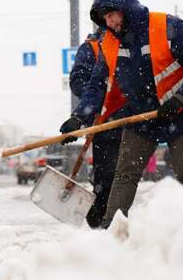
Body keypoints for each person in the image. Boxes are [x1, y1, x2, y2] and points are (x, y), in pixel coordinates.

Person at [59, 0, 183, 228]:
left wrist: (180, 98)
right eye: (105, 19)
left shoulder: (168, 27)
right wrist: (79, 118)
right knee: (125, 174)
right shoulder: (108, 44)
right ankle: (113, 231)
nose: (109, 22)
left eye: (112, 15)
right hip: (142, 117)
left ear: (125, 8)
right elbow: (97, 86)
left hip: (182, 114)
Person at [66, 29, 125, 228]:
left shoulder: (133, 41)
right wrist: (99, 101)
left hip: (133, 121)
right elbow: (79, 81)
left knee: (126, 177)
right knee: (107, 176)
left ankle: (116, 222)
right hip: (104, 122)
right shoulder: (92, 47)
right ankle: (101, 221)